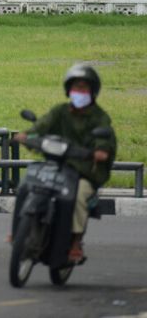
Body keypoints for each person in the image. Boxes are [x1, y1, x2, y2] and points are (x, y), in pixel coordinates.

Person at [14, 63, 117, 263]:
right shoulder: (60, 111)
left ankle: (75, 242)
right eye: (76, 88)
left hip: (84, 172)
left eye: (84, 88)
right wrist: (26, 135)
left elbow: (105, 140)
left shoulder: (100, 117)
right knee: (27, 183)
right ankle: (17, 231)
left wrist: (100, 152)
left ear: (93, 91)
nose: (79, 92)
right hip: (58, 164)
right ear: (68, 90)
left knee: (78, 196)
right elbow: (42, 125)